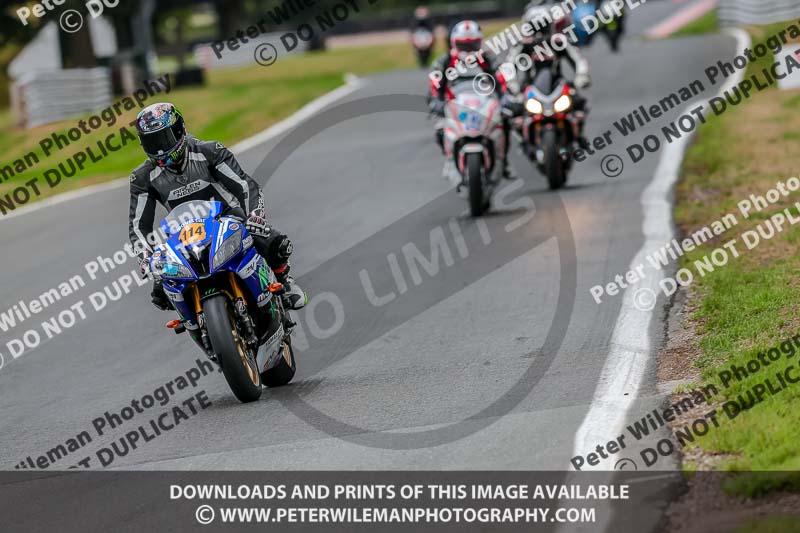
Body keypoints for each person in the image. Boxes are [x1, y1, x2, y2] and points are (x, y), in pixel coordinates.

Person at [128, 102, 307, 312]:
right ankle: (193, 321)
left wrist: (254, 216)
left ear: (180, 129)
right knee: (160, 290)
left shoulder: (209, 151)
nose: (160, 148)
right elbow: (138, 227)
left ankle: (284, 281)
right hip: (184, 235)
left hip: (228, 219)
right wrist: (145, 256)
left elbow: (245, 185)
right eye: (152, 142)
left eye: (165, 137)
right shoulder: (142, 178)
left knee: (276, 243)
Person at [428, 20, 517, 179]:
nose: (468, 49)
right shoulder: (444, 61)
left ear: (480, 42)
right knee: (440, 128)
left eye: (472, 44)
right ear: (454, 43)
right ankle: (449, 159)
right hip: (454, 106)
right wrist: (436, 100)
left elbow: (501, 79)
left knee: (505, 122)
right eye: (464, 44)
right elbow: (435, 84)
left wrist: (506, 97)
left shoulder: (488, 59)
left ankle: (503, 161)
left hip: (484, 104)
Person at [507, 6, 592, 148]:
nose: (539, 31)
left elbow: (578, 59)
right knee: (513, 111)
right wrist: (512, 84)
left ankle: (578, 136)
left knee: (579, 103)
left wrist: (581, 76)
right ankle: (523, 142)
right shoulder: (522, 46)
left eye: (542, 25)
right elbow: (509, 66)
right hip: (530, 88)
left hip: (557, 85)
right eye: (535, 26)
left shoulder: (559, 41)